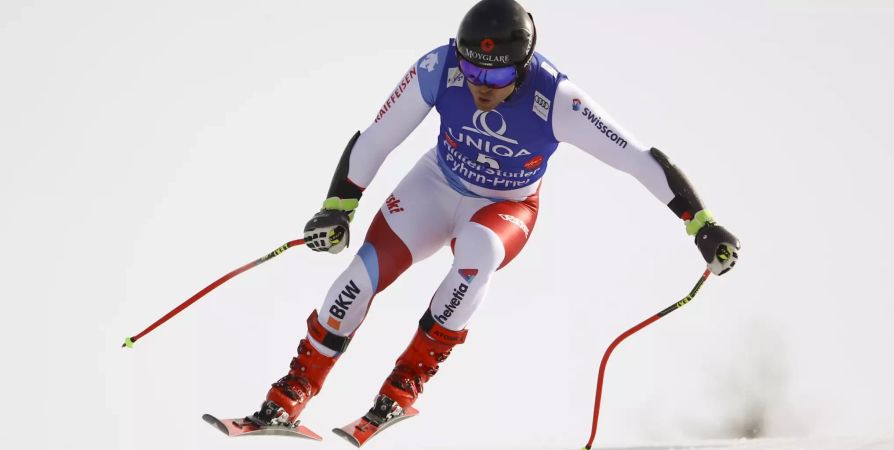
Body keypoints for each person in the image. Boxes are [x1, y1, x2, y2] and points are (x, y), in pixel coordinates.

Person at [252, 0, 740, 428]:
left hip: (507, 206)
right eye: (474, 71)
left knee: (476, 255)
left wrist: (700, 223)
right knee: (360, 276)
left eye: (498, 76)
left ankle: (402, 388)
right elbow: (377, 137)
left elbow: (639, 160)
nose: (482, 85)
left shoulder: (559, 99)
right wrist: (338, 207)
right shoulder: (439, 67)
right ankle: (288, 396)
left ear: (523, 67)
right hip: (435, 185)